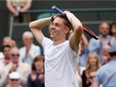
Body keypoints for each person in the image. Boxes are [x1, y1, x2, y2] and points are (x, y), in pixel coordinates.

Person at [29, 10, 83, 87]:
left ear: (66, 30)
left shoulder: (70, 46)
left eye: (57, 25)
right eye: (52, 24)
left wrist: (69, 14)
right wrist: (53, 18)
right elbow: (32, 26)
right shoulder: (47, 44)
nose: (52, 27)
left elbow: (78, 27)